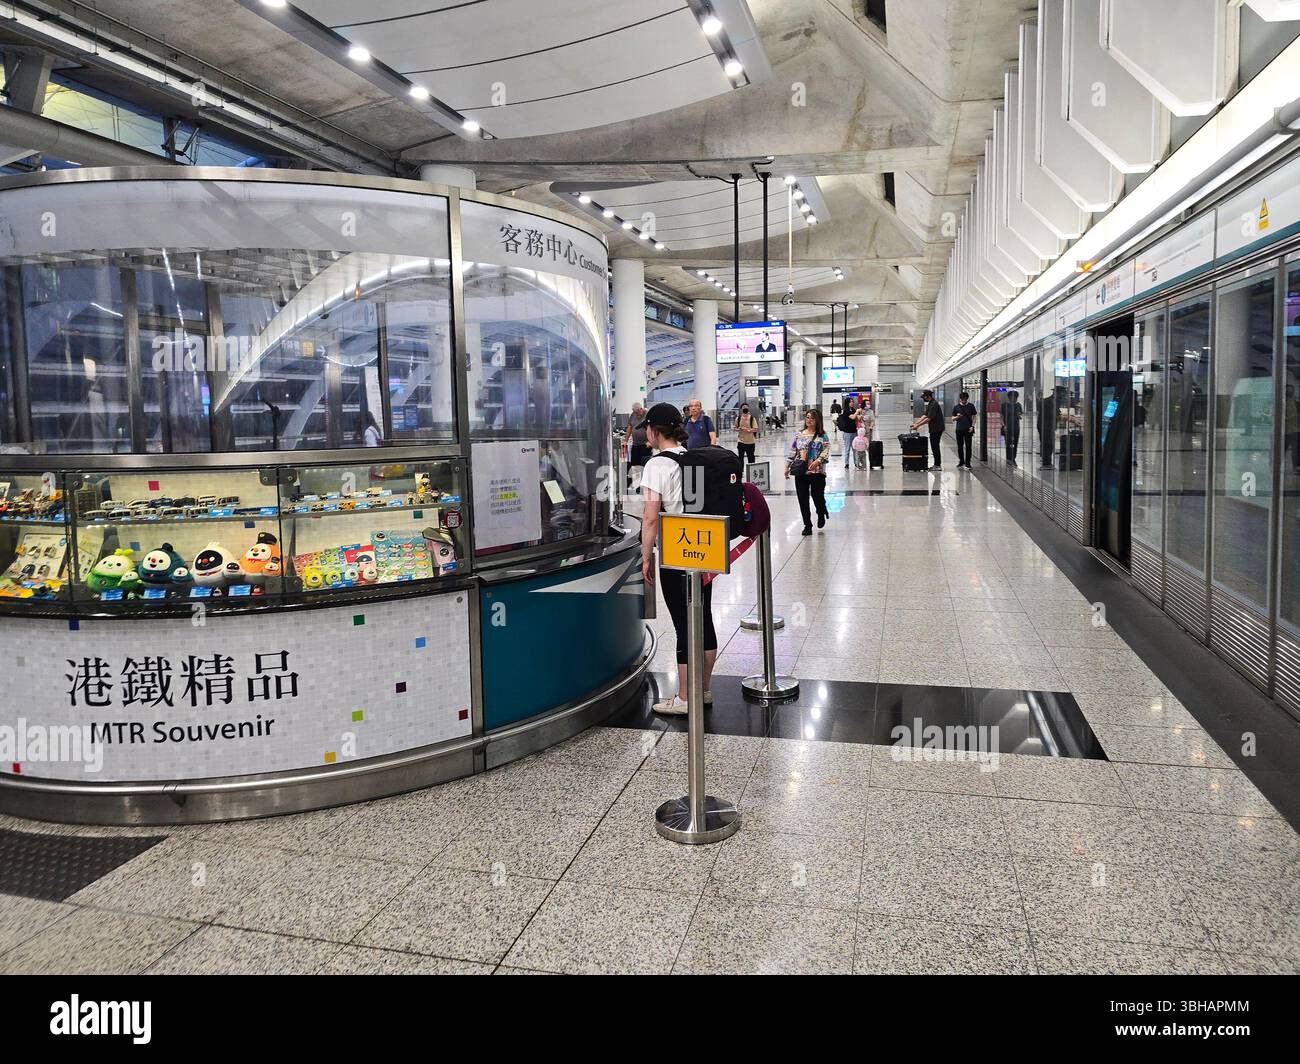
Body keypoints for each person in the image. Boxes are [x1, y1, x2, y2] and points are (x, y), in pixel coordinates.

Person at [639, 403, 717, 715]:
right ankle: (704, 690)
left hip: (675, 550)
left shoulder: (656, 465)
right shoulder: (691, 456)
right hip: (703, 546)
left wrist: (646, 556)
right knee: (703, 617)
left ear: (654, 430)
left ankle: (685, 698)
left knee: (684, 625)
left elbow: (650, 517)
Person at [786, 407, 831, 535]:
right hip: (801, 471)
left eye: (812, 418)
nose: (809, 420)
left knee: (817, 496)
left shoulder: (823, 435)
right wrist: (787, 466)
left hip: (817, 472)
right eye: (807, 417)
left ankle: (821, 512)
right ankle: (807, 525)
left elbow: (826, 450)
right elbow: (793, 451)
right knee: (803, 498)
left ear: (817, 420)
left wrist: (818, 461)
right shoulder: (799, 435)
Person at [910, 389, 946, 470]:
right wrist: (916, 423)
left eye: (924, 397)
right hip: (934, 428)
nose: (923, 399)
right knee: (934, 446)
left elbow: (929, 418)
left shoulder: (934, 404)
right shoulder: (930, 403)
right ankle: (937, 465)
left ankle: (937, 465)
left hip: (937, 428)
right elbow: (925, 415)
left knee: (935, 446)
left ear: (928, 396)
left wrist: (918, 426)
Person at [951, 391, 978, 468]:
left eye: (965, 399)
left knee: (968, 446)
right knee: (960, 446)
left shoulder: (971, 406)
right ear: (960, 399)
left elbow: (974, 417)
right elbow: (952, 418)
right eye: (962, 399)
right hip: (959, 429)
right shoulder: (956, 407)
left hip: (968, 429)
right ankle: (961, 461)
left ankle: (968, 462)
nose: (964, 401)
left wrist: (972, 426)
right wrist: (957, 417)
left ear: (967, 399)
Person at [1002, 390, 1023, 464]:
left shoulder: (1018, 405)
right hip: (1007, 427)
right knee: (1008, 443)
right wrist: (1003, 425)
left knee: (1015, 443)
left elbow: (1020, 415)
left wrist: (1019, 415)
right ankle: (1008, 458)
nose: (1014, 399)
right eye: (1013, 397)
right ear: (1009, 397)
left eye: (1016, 397)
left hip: (1016, 427)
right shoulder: (1004, 405)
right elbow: (1001, 416)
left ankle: (1013, 457)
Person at [836, 399, 857, 468]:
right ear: (847, 403)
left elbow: (857, 418)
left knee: (855, 448)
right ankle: (846, 463)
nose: (852, 403)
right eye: (850, 402)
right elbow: (853, 417)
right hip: (847, 432)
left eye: (852, 402)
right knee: (847, 448)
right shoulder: (846, 411)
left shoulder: (853, 410)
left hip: (854, 432)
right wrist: (857, 412)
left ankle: (856, 463)